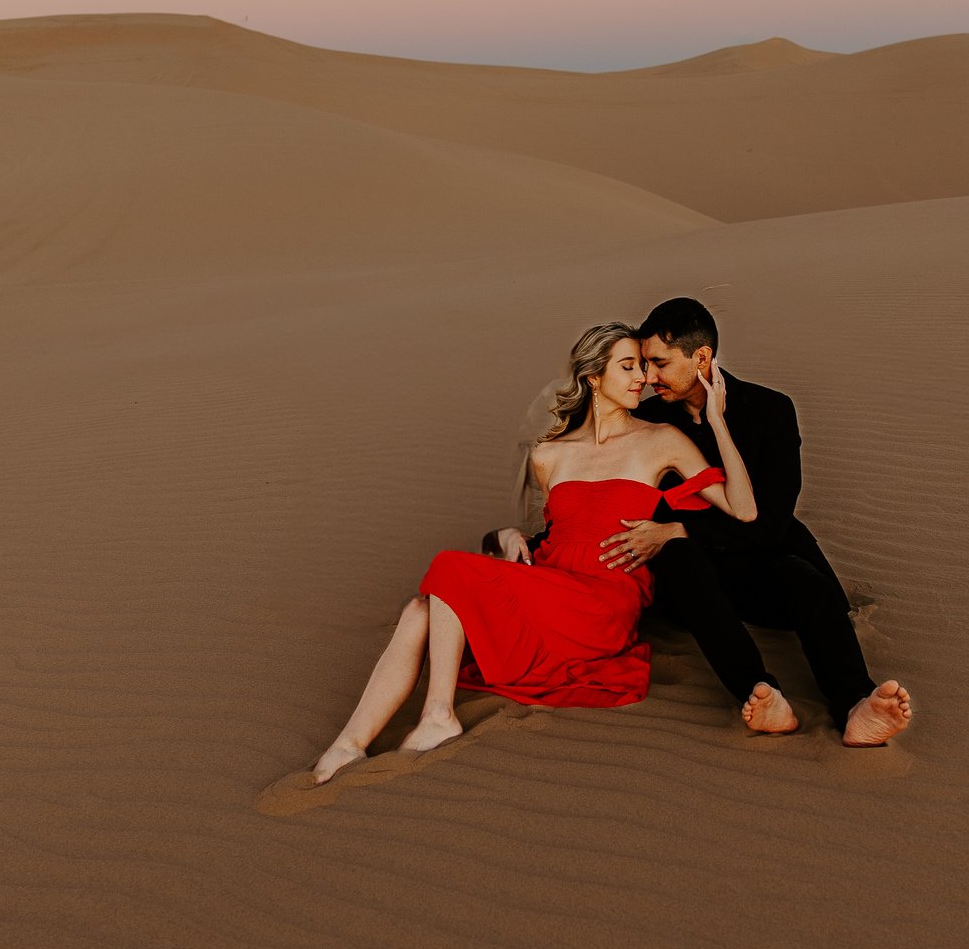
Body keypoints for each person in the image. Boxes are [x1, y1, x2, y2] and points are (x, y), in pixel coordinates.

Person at [310, 322, 760, 784]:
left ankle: (439, 714)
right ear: (592, 378)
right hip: (551, 588)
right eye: (628, 367)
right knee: (419, 607)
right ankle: (348, 745)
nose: (642, 379)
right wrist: (505, 534)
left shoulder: (661, 440)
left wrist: (718, 423)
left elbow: (743, 510)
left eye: (643, 367)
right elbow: (554, 534)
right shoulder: (550, 455)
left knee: (448, 567)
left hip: (603, 602)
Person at [589, 296, 911, 746]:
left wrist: (681, 528)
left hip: (761, 561)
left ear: (701, 357)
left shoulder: (769, 411)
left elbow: (773, 523)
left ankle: (856, 704)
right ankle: (761, 694)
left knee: (806, 581)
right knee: (679, 559)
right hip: (691, 579)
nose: (648, 378)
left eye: (659, 363)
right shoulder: (647, 419)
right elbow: (605, 493)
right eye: (643, 365)